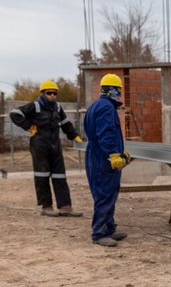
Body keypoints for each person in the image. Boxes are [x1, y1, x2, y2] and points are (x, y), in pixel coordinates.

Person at [8, 80, 84, 217]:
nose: (52, 95)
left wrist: (74, 136)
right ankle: (46, 206)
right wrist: (28, 126)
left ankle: (65, 207)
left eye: (55, 93)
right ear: (43, 93)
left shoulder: (58, 107)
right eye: (49, 93)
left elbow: (65, 123)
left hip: (55, 145)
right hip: (39, 146)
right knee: (42, 175)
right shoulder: (35, 106)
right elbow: (14, 113)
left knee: (60, 175)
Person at [83, 74, 131, 247]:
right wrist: (113, 154)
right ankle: (99, 233)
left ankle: (109, 228)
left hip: (96, 154)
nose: (119, 93)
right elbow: (106, 133)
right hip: (102, 157)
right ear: (113, 90)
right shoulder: (106, 108)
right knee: (104, 194)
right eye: (118, 90)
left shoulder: (96, 105)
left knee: (109, 192)